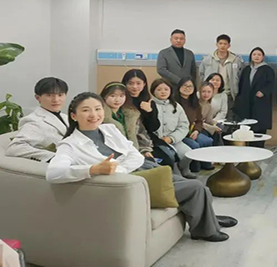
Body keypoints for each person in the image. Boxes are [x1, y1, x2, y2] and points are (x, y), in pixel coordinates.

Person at [45, 92, 234, 242]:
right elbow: (53, 173)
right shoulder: (69, 145)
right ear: (73, 116)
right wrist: (92, 169)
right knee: (196, 187)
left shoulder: (108, 129)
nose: (94, 115)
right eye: (86, 110)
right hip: (132, 181)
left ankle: (210, 219)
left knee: (194, 185)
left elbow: (133, 152)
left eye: (97, 109)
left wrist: (121, 167)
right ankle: (204, 231)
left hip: (143, 167)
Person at [121, 69, 178, 169]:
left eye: (138, 83)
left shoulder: (148, 101)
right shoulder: (121, 101)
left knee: (169, 156)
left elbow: (154, 127)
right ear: (125, 84)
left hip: (148, 138)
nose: (135, 87)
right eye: (130, 83)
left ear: (144, 84)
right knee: (157, 162)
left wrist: (149, 112)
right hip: (130, 139)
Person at [6, 77, 69, 162]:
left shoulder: (65, 117)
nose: (56, 100)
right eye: (49, 95)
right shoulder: (34, 121)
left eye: (60, 95)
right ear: (38, 98)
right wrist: (53, 157)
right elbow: (14, 148)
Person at [150, 78, 195, 179]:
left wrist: (171, 138)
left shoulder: (176, 106)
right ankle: (173, 174)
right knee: (169, 155)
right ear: (153, 91)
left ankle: (184, 168)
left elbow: (184, 125)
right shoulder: (149, 105)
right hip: (156, 141)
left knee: (188, 153)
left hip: (174, 140)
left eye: (166, 89)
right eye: (159, 89)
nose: (163, 92)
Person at [100, 81, 155, 159]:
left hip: (134, 154)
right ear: (104, 97)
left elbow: (141, 134)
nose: (117, 100)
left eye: (121, 96)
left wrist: (145, 150)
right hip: (112, 156)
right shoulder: (99, 116)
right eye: (112, 96)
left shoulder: (132, 114)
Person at [235, 47, 275, 148]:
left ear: (263, 57)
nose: (256, 56)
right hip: (246, 103)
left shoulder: (267, 69)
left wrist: (264, 92)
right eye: (254, 54)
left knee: (259, 128)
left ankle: (259, 148)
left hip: (261, 102)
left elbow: (272, 84)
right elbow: (241, 84)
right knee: (246, 127)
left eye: (259, 55)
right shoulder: (246, 69)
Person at [174, 77, 214, 171]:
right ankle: (195, 168)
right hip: (180, 133)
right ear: (179, 87)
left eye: (190, 86)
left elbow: (199, 120)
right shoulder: (174, 102)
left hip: (192, 131)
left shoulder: (195, 103)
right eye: (185, 86)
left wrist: (196, 130)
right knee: (195, 145)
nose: (187, 88)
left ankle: (206, 164)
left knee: (208, 141)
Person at [197, 34, 244, 114]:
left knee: (228, 115)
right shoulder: (208, 59)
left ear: (229, 45)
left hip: (229, 93)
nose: (222, 46)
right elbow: (201, 74)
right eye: (220, 43)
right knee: (210, 114)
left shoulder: (235, 60)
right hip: (212, 94)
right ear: (216, 44)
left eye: (225, 44)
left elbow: (240, 75)